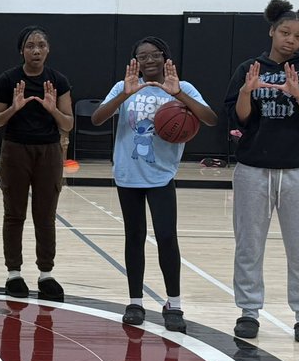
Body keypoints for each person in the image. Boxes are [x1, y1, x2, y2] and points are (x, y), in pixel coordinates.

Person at [224, 0, 299, 343]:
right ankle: (249, 312)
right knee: (249, 245)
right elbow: (239, 117)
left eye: (298, 36)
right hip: (253, 169)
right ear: (272, 30)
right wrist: (246, 90)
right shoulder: (249, 67)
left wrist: (298, 93)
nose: (290, 39)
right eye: (285, 32)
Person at [90, 37, 217, 332]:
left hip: (161, 175)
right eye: (142, 56)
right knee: (134, 237)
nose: (149, 60)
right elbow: (97, 118)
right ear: (134, 61)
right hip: (127, 173)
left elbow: (210, 119)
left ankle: (174, 303)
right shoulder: (124, 87)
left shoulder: (182, 87)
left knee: (166, 237)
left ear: (165, 57)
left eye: (154, 55)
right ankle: (135, 301)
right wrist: (124, 94)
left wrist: (179, 96)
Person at [0, 26, 73, 302]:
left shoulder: (58, 80)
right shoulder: (8, 79)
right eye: (30, 45)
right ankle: (14, 273)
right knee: (14, 214)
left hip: (48, 151)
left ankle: (46, 273)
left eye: (41, 45)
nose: (36, 50)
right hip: (15, 149)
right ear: (21, 50)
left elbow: (68, 123)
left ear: (48, 49)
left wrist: (52, 109)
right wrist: (14, 108)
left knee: (45, 214)